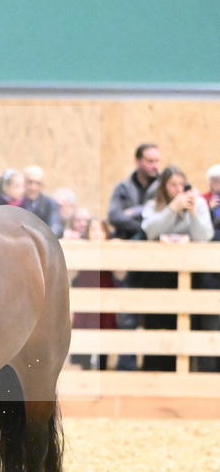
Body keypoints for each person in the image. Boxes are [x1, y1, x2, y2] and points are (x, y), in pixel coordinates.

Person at [140, 165, 214, 372]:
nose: (178, 189)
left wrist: (193, 213)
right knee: (159, 323)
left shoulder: (198, 203)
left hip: (192, 273)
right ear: (164, 186)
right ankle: (156, 370)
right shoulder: (154, 205)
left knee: (190, 324)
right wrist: (172, 209)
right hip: (160, 275)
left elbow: (205, 236)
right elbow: (150, 231)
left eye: (181, 184)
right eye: (173, 185)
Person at [106, 143, 161, 369]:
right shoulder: (123, 188)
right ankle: (126, 366)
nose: (155, 166)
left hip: (156, 262)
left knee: (155, 314)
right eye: (150, 161)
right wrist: (144, 219)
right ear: (138, 161)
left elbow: (162, 217)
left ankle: (153, 367)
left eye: (157, 161)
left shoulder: (162, 186)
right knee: (127, 313)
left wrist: (133, 213)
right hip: (128, 261)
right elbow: (114, 216)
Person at [70, 217, 118, 370]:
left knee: (104, 332)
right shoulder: (82, 250)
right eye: (93, 230)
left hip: (105, 300)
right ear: (87, 234)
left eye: (101, 230)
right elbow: (72, 272)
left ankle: (102, 368)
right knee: (84, 333)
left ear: (106, 233)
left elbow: (120, 273)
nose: (97, 233)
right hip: (85, 301)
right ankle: (85, 369)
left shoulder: (111, 251)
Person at [23, 164, 63, 237]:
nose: (33, 187)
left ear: (42, 186)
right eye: (30, 182)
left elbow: (56, 226)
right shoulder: (16, 202)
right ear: (23, 182)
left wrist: (42, 238)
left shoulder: (50, 204)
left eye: (38, 183)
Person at [202, 163, 220, 241]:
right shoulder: (203, 198)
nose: (217, 183)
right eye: (214, 180)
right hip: (211, 230)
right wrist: (209, 208)